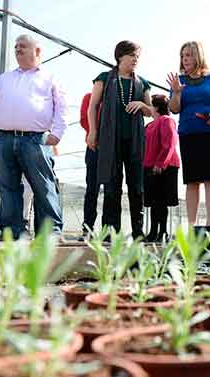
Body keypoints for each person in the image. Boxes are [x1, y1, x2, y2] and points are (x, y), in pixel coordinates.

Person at [0, 34, 66, 239]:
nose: (18, 49)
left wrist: (57, 133)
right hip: (3, 139)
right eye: (16, 46)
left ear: (38, 51)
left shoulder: (50, 77)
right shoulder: (4, 79)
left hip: (36, 139)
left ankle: (50, 232)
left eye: (23, 46)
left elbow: (61, 107)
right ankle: (13, 231)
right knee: (7, 186)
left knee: (43, 185)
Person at [87, 40, 153, 239]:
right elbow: (93, 106)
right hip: (110, 140)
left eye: (137, 57)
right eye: (132, 55)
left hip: (134, 141)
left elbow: (151, 112)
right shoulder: (105, 78)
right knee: (111, 184)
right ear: (120, 56)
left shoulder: (142, 82)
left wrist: (142, 104)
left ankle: (138, 231)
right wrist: (93, 131)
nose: (135, 60)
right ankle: (110, 231)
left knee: (136, 186)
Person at [167, 41, 210, 228]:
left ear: (198, 56)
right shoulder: (179, 81)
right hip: (189, 135)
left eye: (189, 55)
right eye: (183, 55)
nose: (185, 59)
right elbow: (174, 109)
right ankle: (192, 226)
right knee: (192, 181)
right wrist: (177, 92)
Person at [143, 94, 180, 242]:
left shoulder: (166, 121)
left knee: (161, 201)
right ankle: (153, 231)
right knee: (153, 202)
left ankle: (162, 232)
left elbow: (169, 143)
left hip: (164, 166)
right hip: (150, 165)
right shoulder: (150, 125)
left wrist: (161, 163)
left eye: (151, 105)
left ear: (156, 107)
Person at [79, 92, 105, 240]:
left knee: (112, 190)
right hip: (93, 146)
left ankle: (109, 229)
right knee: (91, 190)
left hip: (111, 148)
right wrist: (93, 134)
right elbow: (84, 119)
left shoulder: (113, 97)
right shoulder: (88, 97)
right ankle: (87, 228)